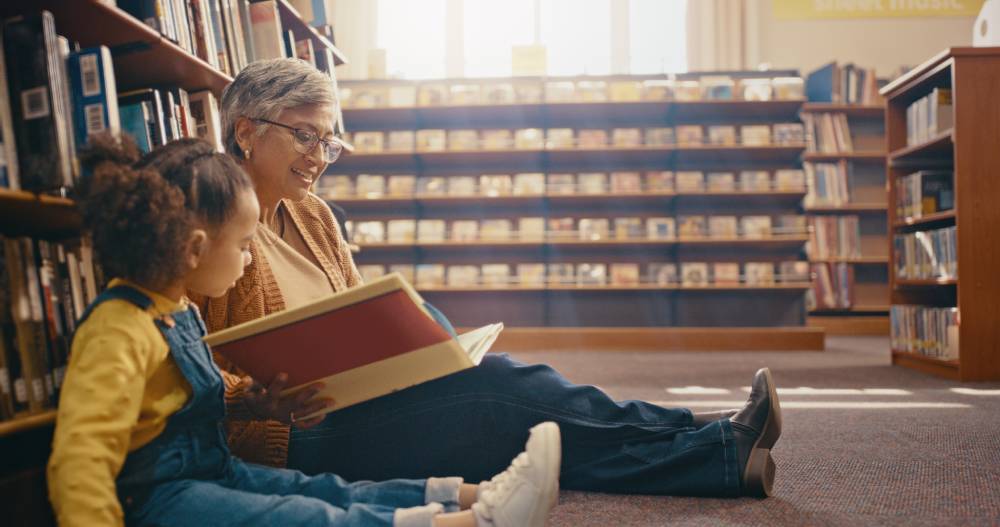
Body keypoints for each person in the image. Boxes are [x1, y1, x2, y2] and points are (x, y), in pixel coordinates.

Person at [197, 57, 783, 498]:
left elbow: (357, 314)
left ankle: (713, 448)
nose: (320, 155)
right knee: (499, 393)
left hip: (364, 402)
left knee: (509, 420)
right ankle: (708, 443)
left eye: (329, 141)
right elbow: (185, 371)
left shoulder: (314, 214)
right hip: (292, 440)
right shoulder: (211, 221)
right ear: (246, 131)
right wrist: (256, 401)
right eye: (304, 135)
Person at [47, 135, 562, 527]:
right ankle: (478, 522)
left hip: (210, 469)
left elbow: (176, 401)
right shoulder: (116, 329)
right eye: (245, 243)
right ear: (195, 249)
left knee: (324, 489)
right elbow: (82, 456)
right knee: (303, 517)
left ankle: (475, 494)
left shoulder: (174, 307)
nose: (251, 257)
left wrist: (251, 402)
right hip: (158, 497)